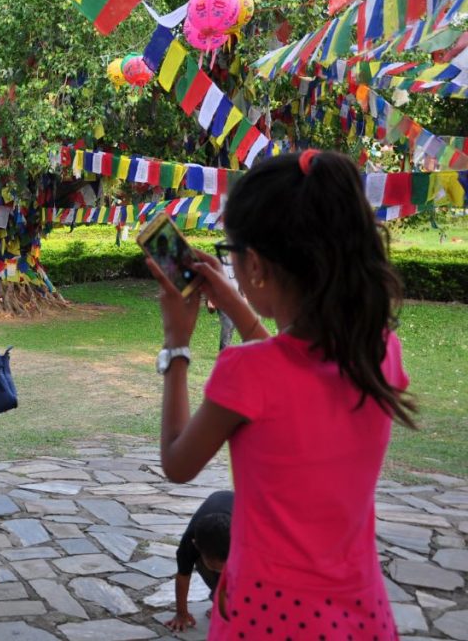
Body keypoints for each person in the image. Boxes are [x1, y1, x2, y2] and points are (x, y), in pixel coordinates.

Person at [147, 150, 415, 639]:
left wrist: (176, 345)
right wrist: (235, 299)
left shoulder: (247, 372)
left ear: (255, 265)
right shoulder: (380, 352)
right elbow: (293, 377)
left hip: (266, 614)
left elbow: (177, 463)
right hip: (361, 610)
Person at [166, 490, 234, 632]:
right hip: (220, 506)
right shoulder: (189, 542)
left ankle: (228, 601)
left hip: (242, 509)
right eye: (215, 567)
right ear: (196, 545)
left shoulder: (243, 535)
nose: (220, 571)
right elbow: (183, 575)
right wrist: (181, 613)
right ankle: (220, 597)